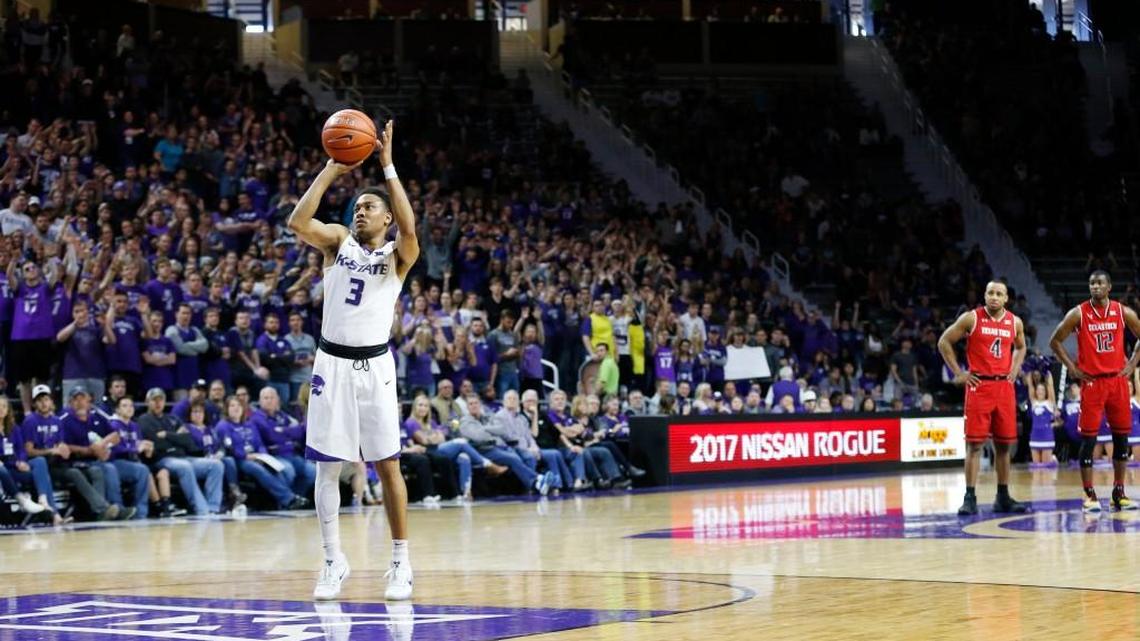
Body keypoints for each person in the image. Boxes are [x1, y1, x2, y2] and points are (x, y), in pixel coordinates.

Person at [288, 120, 417, 601]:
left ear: (385, 219)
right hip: (331, 364)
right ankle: (331, 560)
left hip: (376, 367)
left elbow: (410, 227)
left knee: (387, 465)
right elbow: (298, 222)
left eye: (370, 207)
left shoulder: (397, 256)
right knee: (327, 467)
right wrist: (332, 166)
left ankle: (401, 562)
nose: (360, 211)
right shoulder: (337, 242)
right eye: (358, 206)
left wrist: (386, 165)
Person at [1050, 270, 1140, 512]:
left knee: (1122, 440)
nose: (1095, 287)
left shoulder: (1123, 312)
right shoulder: (1078, 313)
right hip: (1092, 383)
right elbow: (1055, 341)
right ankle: (1089, 493)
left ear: (1109, 286)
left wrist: (1132, 364)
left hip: (1117, 383)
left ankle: (1118, 491)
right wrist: (1073, 368)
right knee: (1088, 440)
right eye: (1091, 283)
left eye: (1100, 283)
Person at [937, 280, 1029, 516]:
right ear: (984, 295)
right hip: (979, 386)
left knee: (1004, 445)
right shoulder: (972, 318)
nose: (994, 297)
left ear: (1006, 298)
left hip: (1004, 388)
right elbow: (944, 341)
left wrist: (1015, 367)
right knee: (975, 445)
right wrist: (959, 373)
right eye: (990, 293)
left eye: (999, 293)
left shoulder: (1014, 321)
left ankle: (1003, 496)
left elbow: (1021, 346)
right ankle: (970, 497)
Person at [1026, 373, 1057, 466]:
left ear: (1045, 391)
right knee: (1036, 466)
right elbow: (1030, 386)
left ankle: (1053, 459)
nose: (1040, 391)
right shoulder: (1034, 403)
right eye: (1038, 389)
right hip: (1035, 436)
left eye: (1042, 389)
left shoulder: (1049, 403)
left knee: (1045, 466)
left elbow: (1050, 387)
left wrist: (1049, 380)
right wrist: (1029, 376)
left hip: (1046, 435)